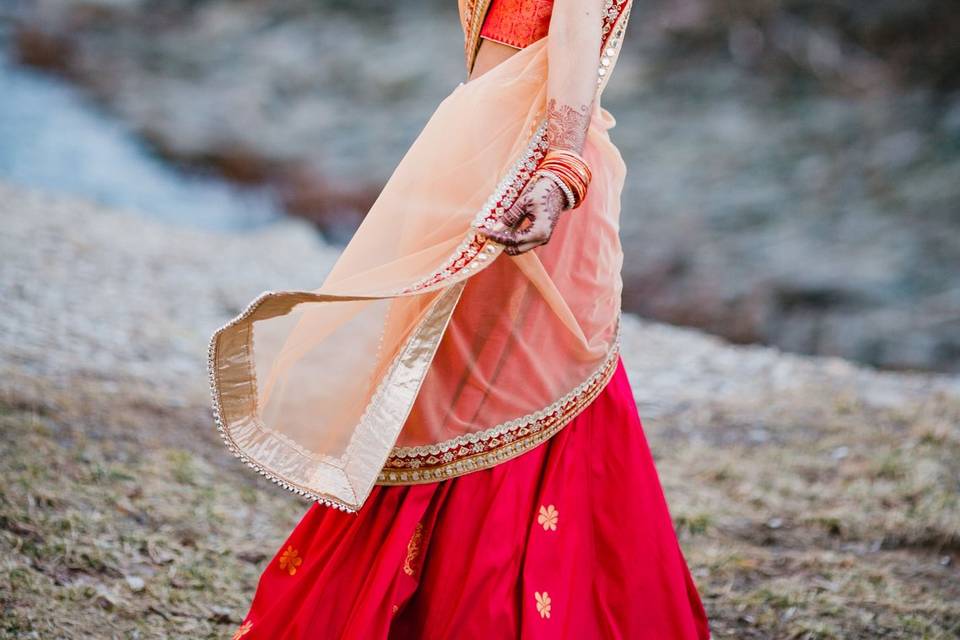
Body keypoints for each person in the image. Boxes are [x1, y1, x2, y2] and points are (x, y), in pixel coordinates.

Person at [209, 0, 711, 637]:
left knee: (486, 398)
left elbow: (574, 36)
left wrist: (559, 173)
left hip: (510, 174)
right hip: (493, 165)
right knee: (452, 397)